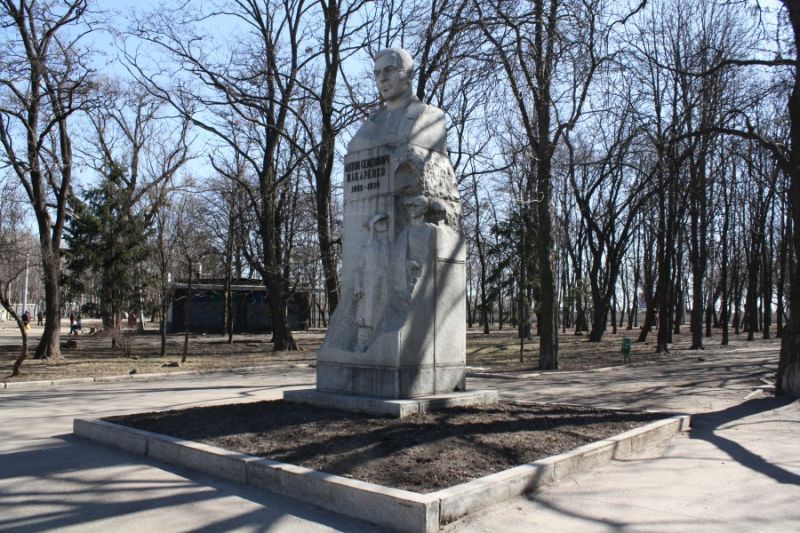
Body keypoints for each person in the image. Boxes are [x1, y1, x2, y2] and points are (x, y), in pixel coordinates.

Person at [347, 47, 447, 154]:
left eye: (390, 70)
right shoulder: (373, 120)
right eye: (377, 73)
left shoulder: (431, 117)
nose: (382, 78)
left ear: (410, 75)